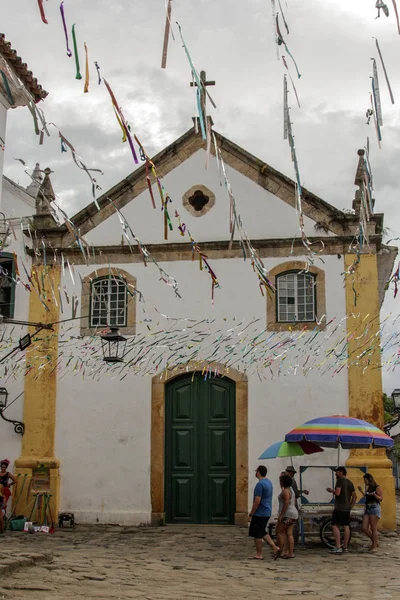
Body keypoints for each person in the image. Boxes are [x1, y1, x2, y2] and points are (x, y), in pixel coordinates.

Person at [248, 465, 280, 560]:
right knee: (262, 531)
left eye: (256, 471)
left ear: (258, 472)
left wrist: (251, 514)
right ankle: (275, 547)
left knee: (257, 533)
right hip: (267, 511)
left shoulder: (260, 484)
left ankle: (259, 554)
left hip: (260, 513)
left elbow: (257, 501)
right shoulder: (269, 483)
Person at [326, 466, 356, 554]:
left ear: (342, 472)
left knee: (334, 525)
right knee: (346, 526)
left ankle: (338, 546)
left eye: (337, 472)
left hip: (339, 507)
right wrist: (351, 505)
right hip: (347, 508)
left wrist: (331, 491)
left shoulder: (339, 481)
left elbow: (338, 493)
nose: (336, 473)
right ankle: (345, 547)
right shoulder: (350, 482)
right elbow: (354, 496)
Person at [358, 473, 383, 553]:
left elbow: (381, 498)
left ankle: (374, 546)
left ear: (369, 479)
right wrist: (361, 491)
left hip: (374, 508)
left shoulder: (377, 487)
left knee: (373, 527)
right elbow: (367, 497)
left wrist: (375, 495)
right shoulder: (368, 488)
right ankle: (375, 541)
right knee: (364, 528)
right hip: (367, 507)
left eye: (365, 480)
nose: (365, 482)